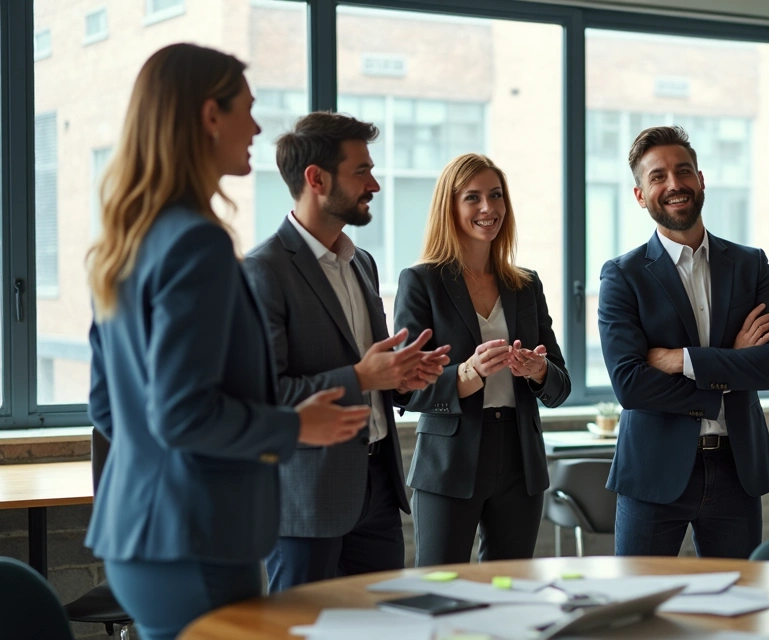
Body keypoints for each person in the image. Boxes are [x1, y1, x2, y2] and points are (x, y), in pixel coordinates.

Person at [84, 44, 369, 640]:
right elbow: (183, 414)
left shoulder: (127, 238)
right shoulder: (197, 243)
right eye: (248, 108)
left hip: (137, 537)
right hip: (197, 537)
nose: (258, 127)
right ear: (210, 116)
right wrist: (295, 427)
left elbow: (109, 410)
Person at [244, 112, 450, 591]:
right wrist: (361, 377)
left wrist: (403, 375)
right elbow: (265, 395)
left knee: (381, 625)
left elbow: (375, 376)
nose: (374, 184)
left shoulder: (363, 263)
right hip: (306, 500)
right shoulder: (263, 271)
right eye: (361, 171)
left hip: (378, 486)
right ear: (316, 179)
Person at [599, 125, 769, 558]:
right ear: (639, 195)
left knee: (737, 609)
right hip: (652, 473)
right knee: (638, 611)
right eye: (657, 176)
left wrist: (681, 359)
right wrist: (730, 367)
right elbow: (630, 385)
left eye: (683, 171)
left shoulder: (749, 264)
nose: (674, 184)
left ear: (701, 179)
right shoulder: (622, 275)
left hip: (736, 470)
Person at [394, 153, 570, 566]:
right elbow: (404, 389)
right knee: (442, 586)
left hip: (519, 458)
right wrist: (467, 374)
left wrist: (539, 370)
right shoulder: (421, 282)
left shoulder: (526, 285)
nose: (488, 208)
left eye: (496, 195)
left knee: (511, 590)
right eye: (473, 198)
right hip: (450, 460)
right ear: (450, 207)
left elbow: (561, 387)